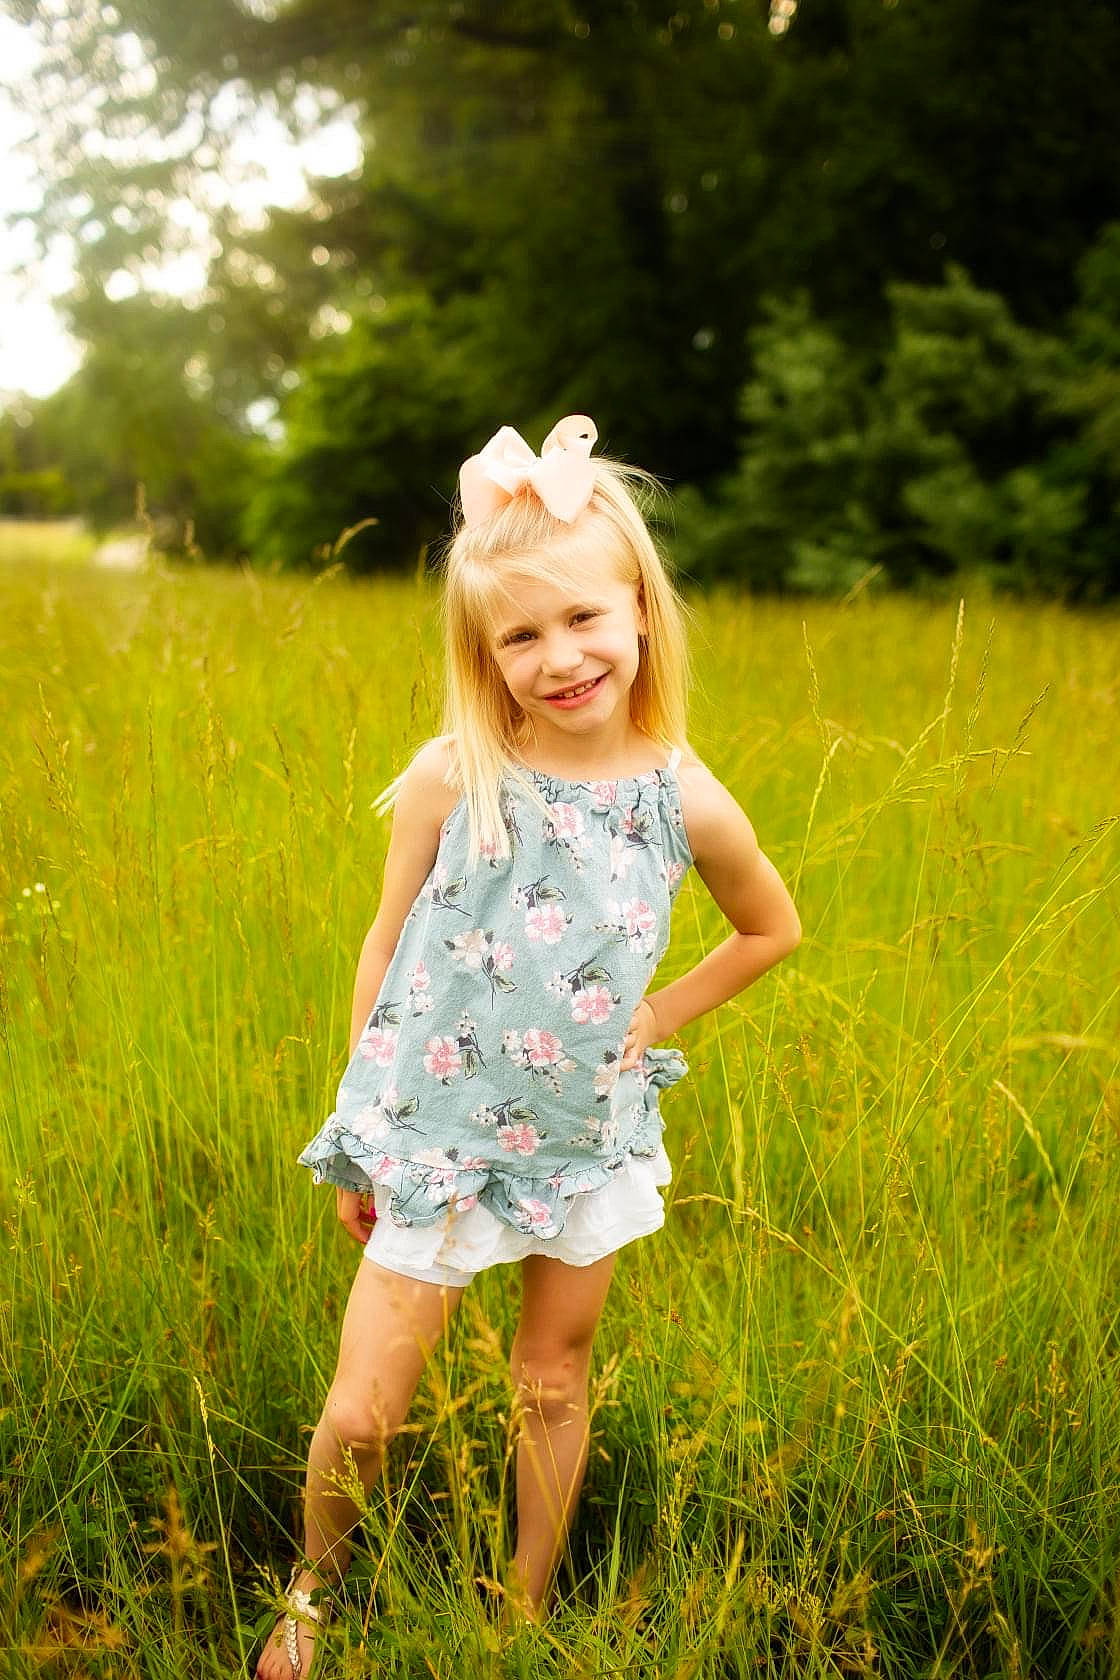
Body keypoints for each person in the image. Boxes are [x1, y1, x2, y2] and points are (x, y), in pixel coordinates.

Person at [256, 416, 802, 1678]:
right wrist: (362, 1136)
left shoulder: (684, 796)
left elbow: (770, 930)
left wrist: (649, 1024)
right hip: (435, 1140)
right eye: (521, 635)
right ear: (484, 653)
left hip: (581, 1142)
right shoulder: (459, 776)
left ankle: (523, 1604)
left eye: (583, 621)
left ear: (639, 616)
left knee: (551, 1378)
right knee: (366, 1409)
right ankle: (311, 1594)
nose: (559, 659)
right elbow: (381, 952)